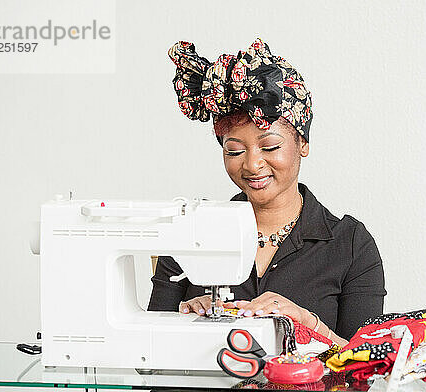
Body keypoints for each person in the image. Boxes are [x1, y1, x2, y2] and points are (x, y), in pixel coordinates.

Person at [148, 38, 386, 351]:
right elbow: (149, 361)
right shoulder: (189, 231)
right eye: (234, 150)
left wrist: (308, 324)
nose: (252, 164)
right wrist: (186, 324)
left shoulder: (350, 244)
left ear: (303, 143)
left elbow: (365, 371)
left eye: (270, 147)